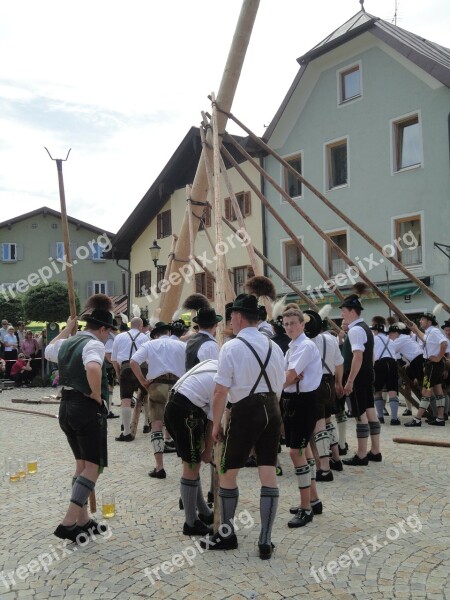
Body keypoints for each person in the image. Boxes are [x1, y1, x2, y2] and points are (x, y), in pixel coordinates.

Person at [201, 292, 285, 560]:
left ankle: (226, 534)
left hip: (245, 410)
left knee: (227, 473)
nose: (230, 321)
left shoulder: (231, 347)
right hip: (273, 408)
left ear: (237, 317)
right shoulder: (275, 346)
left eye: (231, 317)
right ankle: (265, 540)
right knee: (268, 473)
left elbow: (219, 391)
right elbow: (281, 386)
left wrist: (215, 424)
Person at [44, 294, 116, 543]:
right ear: (103, 328)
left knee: (82, 465)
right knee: (93, 467)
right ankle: (68, 522)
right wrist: (96, 395)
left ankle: (83, 520)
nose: (108, 336)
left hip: (66, 407)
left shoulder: (68, 343)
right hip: (86, 409)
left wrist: (66, 329)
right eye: (109, 331)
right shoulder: (94, 344)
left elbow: (47, 351)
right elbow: (94, 368)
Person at [164, 359, 218, 537]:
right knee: (192, 465)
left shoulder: (213, 363)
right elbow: (213, 421)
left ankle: (203, 511)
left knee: (191, 463)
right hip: (187, 413)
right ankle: (190, 522)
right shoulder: (224, 379)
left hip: (173, 405)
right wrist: (208, 451)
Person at [281, 306, 323, 527]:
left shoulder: (304, 346)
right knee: (304, 450)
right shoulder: (292, 348)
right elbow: (288, 376)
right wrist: (287, 379)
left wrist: (273, 385)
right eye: (286, 324)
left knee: (295, 453)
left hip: (303, 402)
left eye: (293, 323)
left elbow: (288, 377)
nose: (289, 327)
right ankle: (313, 500)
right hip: (294, 401)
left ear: (303, 324)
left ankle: (306, 509)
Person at [130, 321, 186, 478]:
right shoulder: (181, 345)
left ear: (154, 335)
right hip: (178, 386)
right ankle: (186, 466)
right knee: (181, 426)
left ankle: (159, 467)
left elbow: (134, 361)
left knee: (156, 426)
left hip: (157, 385)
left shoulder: (150, 345)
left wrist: (142, 381)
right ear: (168, 332)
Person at [340, 293, 381, 465]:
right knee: (370, 411)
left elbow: (358, 356)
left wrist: (349, 381)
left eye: (343, 310)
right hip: (366, 374)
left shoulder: (356, 330)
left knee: (360, 414)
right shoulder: (365, 328)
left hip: (357, 377)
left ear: (351, 311)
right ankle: (375, 451)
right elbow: (370, 356)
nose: (341, 313)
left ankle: (362, 454)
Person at [312, 318, 345, 481]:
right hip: (330, 383)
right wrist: (339, 383)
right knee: (328, 421)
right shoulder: (332, 339)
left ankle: (324, 468)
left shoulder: (308, 341)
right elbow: (340, 364)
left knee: (319, 427)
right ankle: (337, 459)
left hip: (316, 384)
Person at [405, 310, 448, 427]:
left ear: (429, 322)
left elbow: (444, 343)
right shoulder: (429, 332)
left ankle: (417, 419)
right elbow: (423, 337)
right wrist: (414, 328)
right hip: (433, 365)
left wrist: (439, 357)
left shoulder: (434, 331)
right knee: (438, 390)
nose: (420, 321)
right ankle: (440, 418)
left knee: (426, 390)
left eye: (422, 320)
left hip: (433, 365)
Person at [111, 317, 148, 441]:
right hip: (142, 368)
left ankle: (126, 432)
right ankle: (146, 424)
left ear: (130, 325)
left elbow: (114, 359)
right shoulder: (145, 337)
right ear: (140, 326)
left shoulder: (119, 337)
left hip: (126, 367)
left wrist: (117, 371)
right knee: (145, 396)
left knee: (125, 399)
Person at [388, 322, 423, 417]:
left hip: (418, 361)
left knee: (425, 386)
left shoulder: (400, 340)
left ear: (395, 333)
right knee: (410, 384)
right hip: (415, 361)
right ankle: (414, 409)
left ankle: (430, 411)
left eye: (390, 334)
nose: (389, 337)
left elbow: (389, 351)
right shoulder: (404, 338)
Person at [371, 316, 400, 425]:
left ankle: (380, 417)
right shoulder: (390, 340)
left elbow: (371, 356)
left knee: (377, 391)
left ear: (376, 330)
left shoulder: (373, 339)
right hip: (392, 363)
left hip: (379, 363)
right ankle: (394, 418)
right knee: (392, 391)